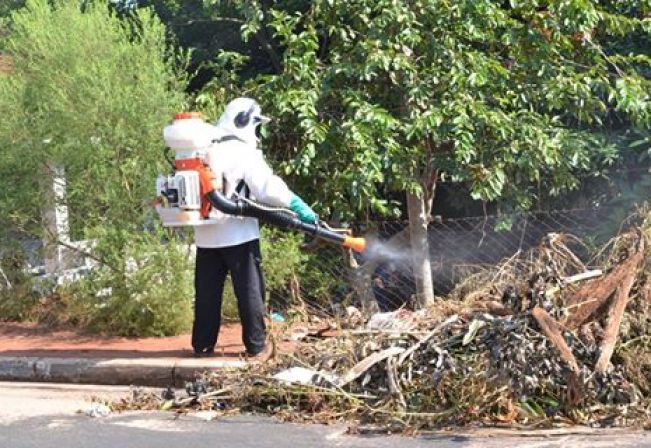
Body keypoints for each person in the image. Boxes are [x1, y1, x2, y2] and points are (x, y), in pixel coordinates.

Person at [191, 97, 317, 358]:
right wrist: (297, 205)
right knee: (249, 291)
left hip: (205, 235)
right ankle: (256, 346)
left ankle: (202, 346)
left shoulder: (202, 147)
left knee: (206, 295)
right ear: (245, 121)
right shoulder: (242, 151)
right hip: (239, 233)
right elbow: (266, 187)